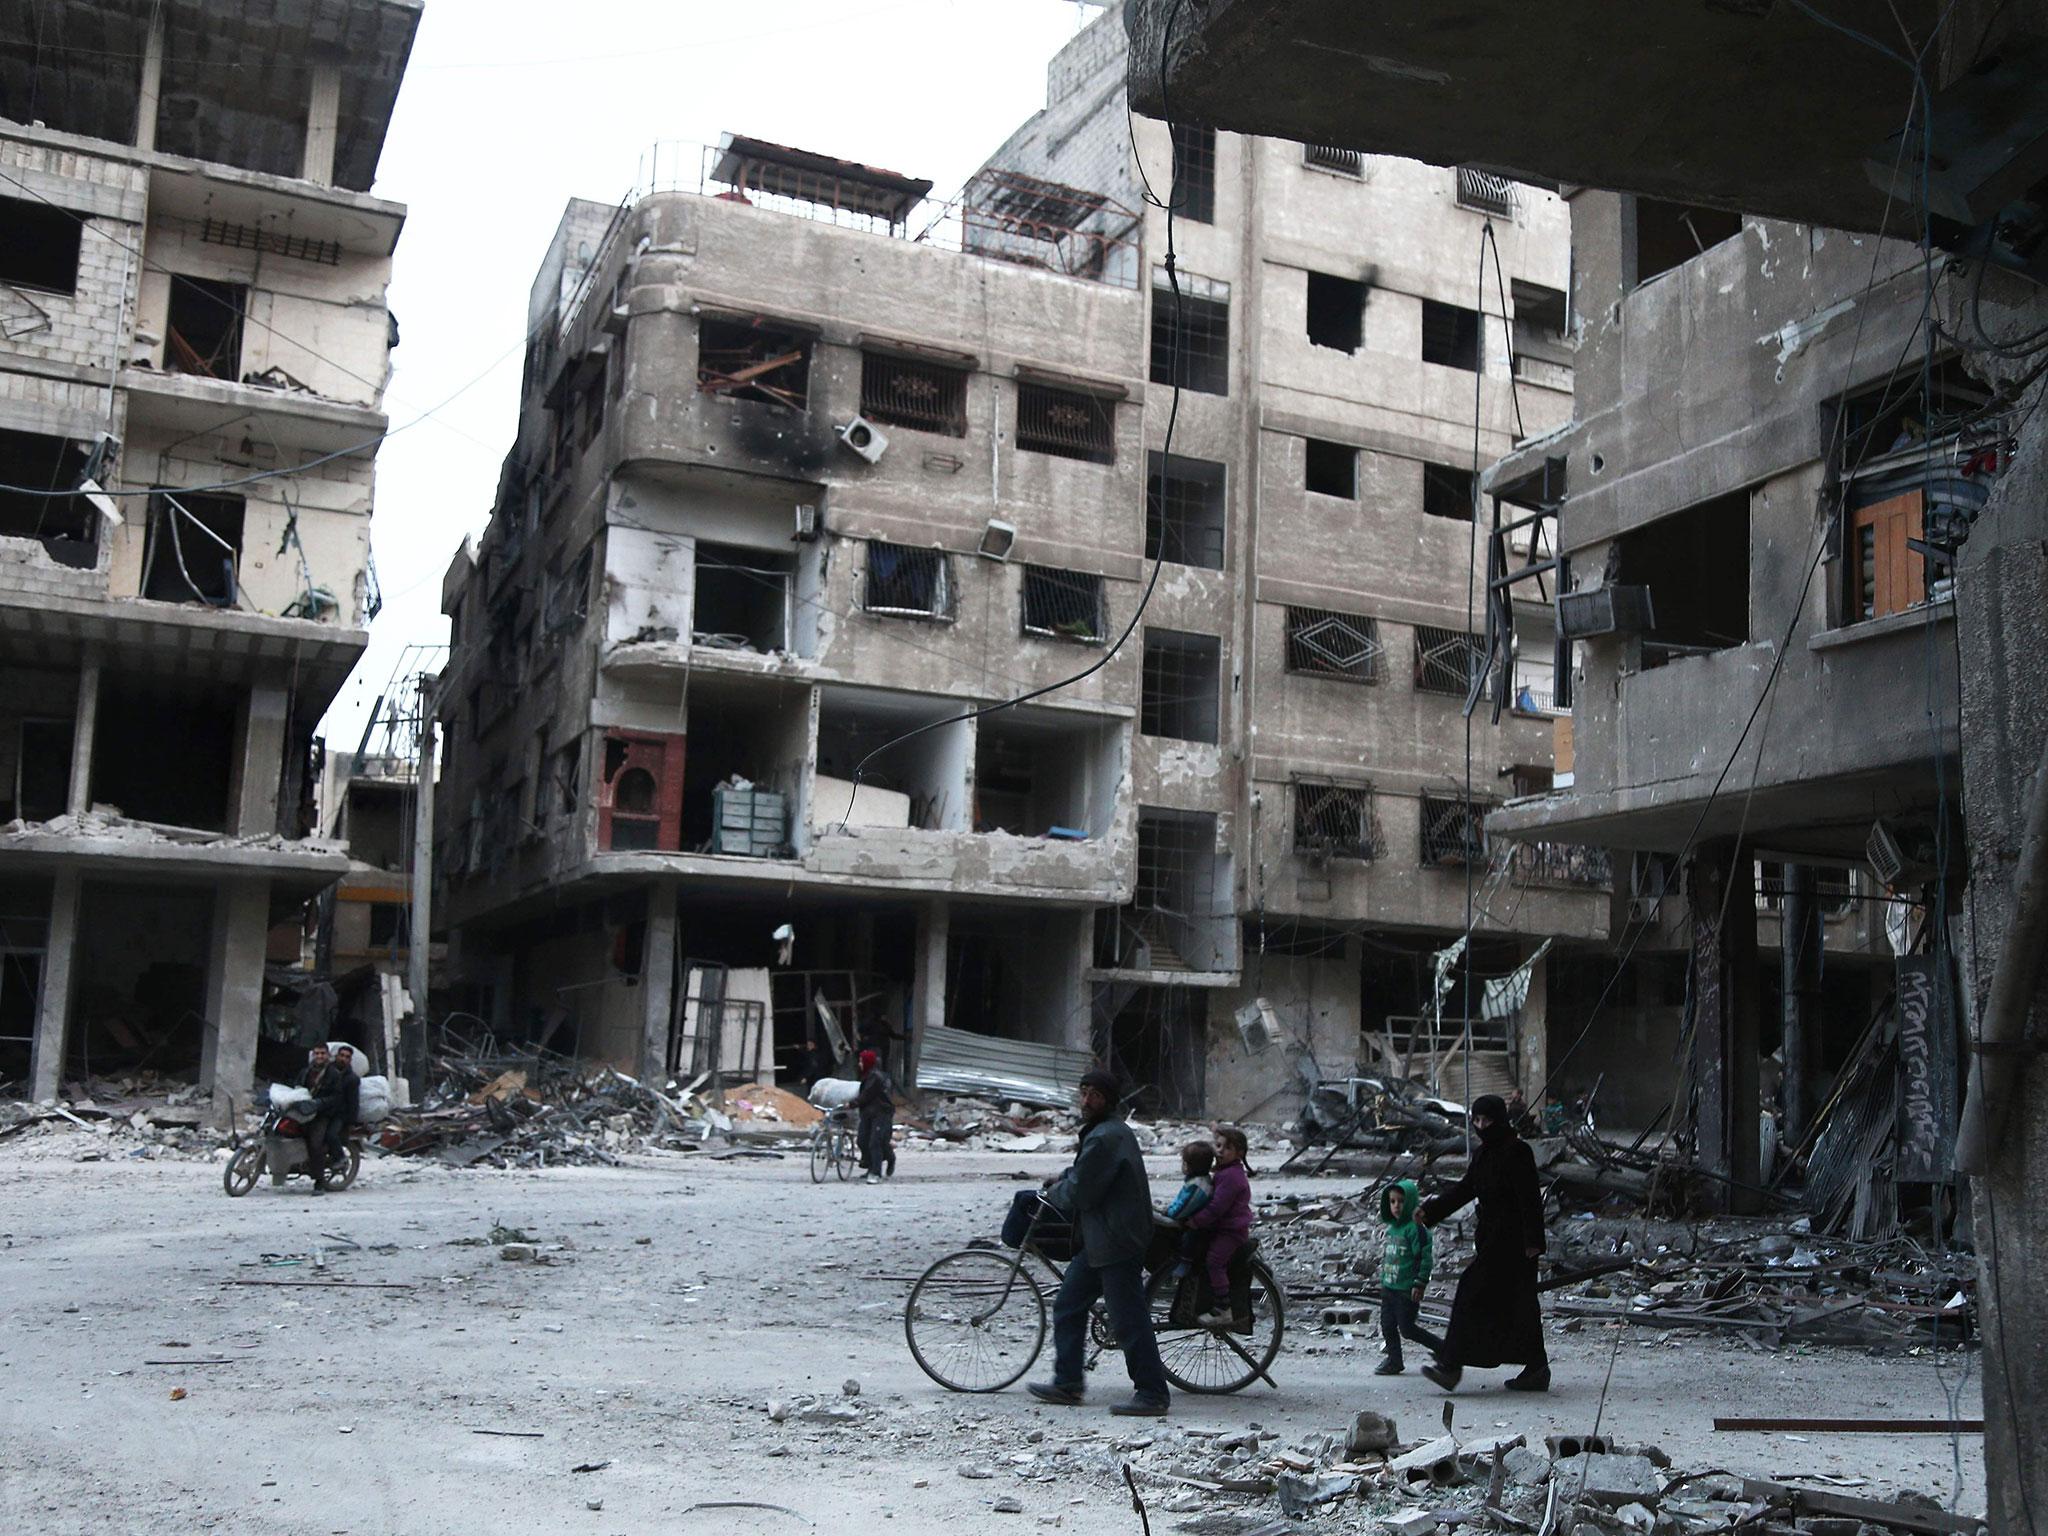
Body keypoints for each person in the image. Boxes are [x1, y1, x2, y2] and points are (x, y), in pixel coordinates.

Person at [1027, 1068, 1171, 1417]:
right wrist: (1066, 1179)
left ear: (1108, 1100)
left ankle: (1152, 1393)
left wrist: (1054, 1192)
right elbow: (1087, 1176)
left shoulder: (1106, 1137)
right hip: (1100, 1238)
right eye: (1084, 1093)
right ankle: (1067, 1383)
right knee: (1069, 1304)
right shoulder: (1107, 1132)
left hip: (1116, 1239)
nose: (1087, 1101)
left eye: (1094, 1095)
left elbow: (1082, 1191)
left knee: (1128, 1319)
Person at [1419, 1093, 1550, 1393]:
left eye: (1487, 1120)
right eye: (1476, 1120)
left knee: (1470, 1291)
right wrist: (1430, 1212)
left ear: (1500, 1120)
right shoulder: (1483, 1155)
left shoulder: (1518, 1152)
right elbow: (1466, 1190)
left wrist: (1533, 1242)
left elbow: (1530, 1199)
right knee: (1520, 1306)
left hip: (1516, 1244)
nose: (1481, 1126)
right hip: (1492, 1241)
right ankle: (1536, 1368)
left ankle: (1451, 1365)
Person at [1373, 1179, 1443, 1375]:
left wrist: (1419, 1283)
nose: (1396, 1206)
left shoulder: (1416, 1230)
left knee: (1407, 1328)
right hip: (1390, 1288)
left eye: (1401, 1201)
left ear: (1411, 1202)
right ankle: (1394, 1360)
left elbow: (1424, 1258)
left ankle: (1443, 1348)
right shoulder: (1392, 1228)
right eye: (1392, 1202)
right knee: (1387, 1325)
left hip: (1406, 1290)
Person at [1186, 1125, 1253, 1328]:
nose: (1220, 1151)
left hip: (1231, 1232)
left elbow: (1217, 1208)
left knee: (1215, 1261)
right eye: (1218, 1146)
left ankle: (1224, 1308)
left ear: (1239, 1153)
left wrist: (1196, 1221)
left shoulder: (1232, 1177)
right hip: (1221, 1228)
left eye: (1227, 1148)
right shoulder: (1224, 1172)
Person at [1164, 1140, 1214, 1275]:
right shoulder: (1195, 1181)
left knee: (1188, 1239)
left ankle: (1184, 1263)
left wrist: (1170, 1213)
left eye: (1184, 1162)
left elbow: (1186, 1205)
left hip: (1196, 1223)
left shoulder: (1199, 1185)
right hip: (1191, 1217)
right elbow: (1181, 1200)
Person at [855, 1048, 896, 1185]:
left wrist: (852, 1104)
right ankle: (870, 1166)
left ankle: (876, 1172)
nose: (859, 1064)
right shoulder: (867, 1075)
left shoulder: (875, 1077)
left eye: (861, 1061)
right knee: (862, 1140)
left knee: (875, 1142)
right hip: (868, 1113)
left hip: (881, 1113)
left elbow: (866, 1095)